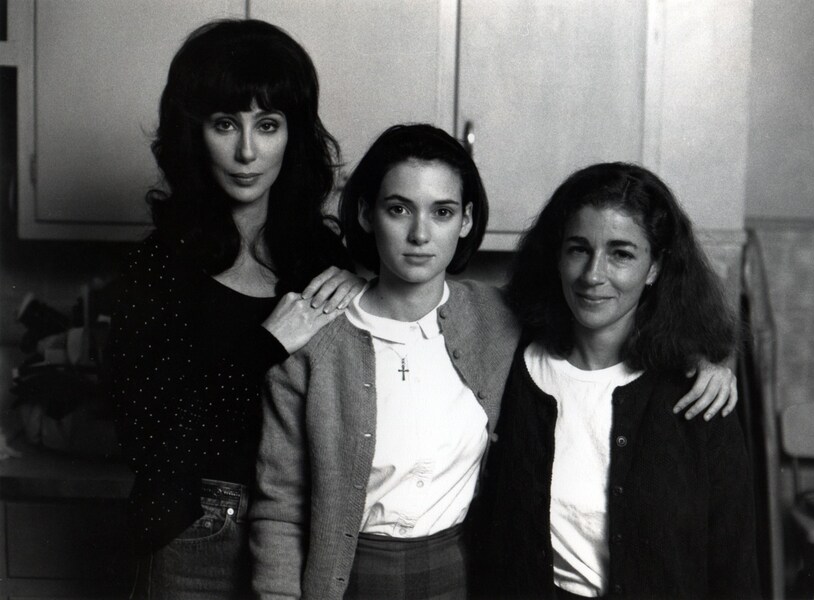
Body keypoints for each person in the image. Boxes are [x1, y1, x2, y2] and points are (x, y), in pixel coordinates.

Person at [249, 125, 738, 600]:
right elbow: (281, 506)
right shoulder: (314, 338)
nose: (420, 233)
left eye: (441, 211)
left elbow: (615, 321)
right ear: (365, 213)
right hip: (346, 574)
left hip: (461, 572)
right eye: (399, 209)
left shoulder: (495, 318)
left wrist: (708, 360)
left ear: (464, 221)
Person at [109, 19, 364, 599]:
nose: (247, 151)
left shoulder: (323, 260)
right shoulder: (158, 267)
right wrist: (267, 346)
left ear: (292, 135)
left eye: (267, 125)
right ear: (192, 132)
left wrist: (365, 296)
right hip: (194, 532)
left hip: (307, 530)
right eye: (226, 124)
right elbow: (146, 440)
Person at [469, 162, 760, 599]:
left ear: (655, 267)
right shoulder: (508, 367)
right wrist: (355, 283)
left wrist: (710, 361)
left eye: (621, 253)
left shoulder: (698, 397)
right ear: (557, 254)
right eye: (578, 249)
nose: (593, 275)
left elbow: (734, 565)